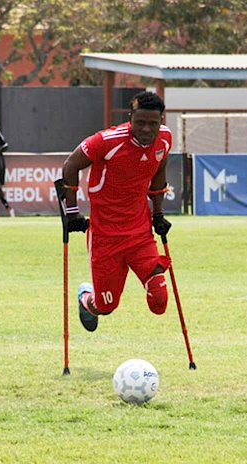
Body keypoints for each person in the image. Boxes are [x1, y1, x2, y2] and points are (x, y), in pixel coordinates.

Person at [60, 91, 173, 332]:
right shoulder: (107, 141)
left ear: (161, 121)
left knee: (160, 301)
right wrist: (72, 212)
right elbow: (70, 165)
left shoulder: (164, 139)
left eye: (153, 123)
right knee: (105, 306)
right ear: (130, 117)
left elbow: (159, 171)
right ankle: (86, 297)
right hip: (105, 237)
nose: (146, 129)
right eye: (140, 122)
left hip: (140, 234)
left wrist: (158, 214)